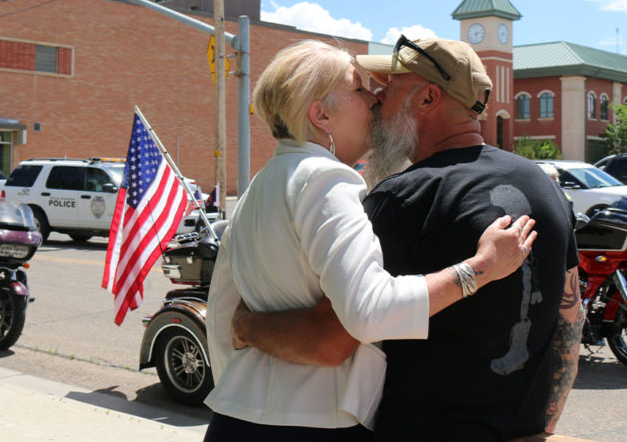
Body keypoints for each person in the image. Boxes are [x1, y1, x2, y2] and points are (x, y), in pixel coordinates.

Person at [232, 36, 582, 441]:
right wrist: (545, 423)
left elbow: (332, 338)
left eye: (390, 86)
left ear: (428, 98)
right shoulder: (545, 187)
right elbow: (570, 318)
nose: (378, 98)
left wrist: (244, 326)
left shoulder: (402, 199)